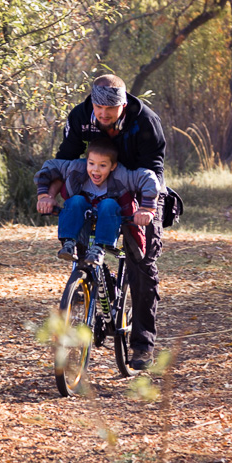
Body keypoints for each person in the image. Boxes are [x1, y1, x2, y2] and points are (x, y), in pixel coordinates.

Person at [37, 74, 167, 371]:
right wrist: (48, 195)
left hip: (140, 187)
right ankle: (84, 300)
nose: (104, 115)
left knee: (141, 263)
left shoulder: (146, 121)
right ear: (92, 104)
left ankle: (142, 345)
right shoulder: (80, 116)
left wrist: (147, 208)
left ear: (123, 104)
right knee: (82, 243)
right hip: (99, 183)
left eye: (110, 110)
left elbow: (153, 172)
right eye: (98, 108)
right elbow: (64, 162)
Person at [34, 138, 158, 266]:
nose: (96, 170)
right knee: (76, 200)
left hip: (110, 215)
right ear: (86, 161)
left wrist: (146, 209)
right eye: (91, 163)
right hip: (83, 213)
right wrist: (44, 196)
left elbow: (148, 178)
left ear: (113, 166)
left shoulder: (122, 175)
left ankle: (99, 248)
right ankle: (69, 243)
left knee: (109, 203)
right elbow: (50, 166)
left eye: (103, 165)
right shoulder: (76, 168)